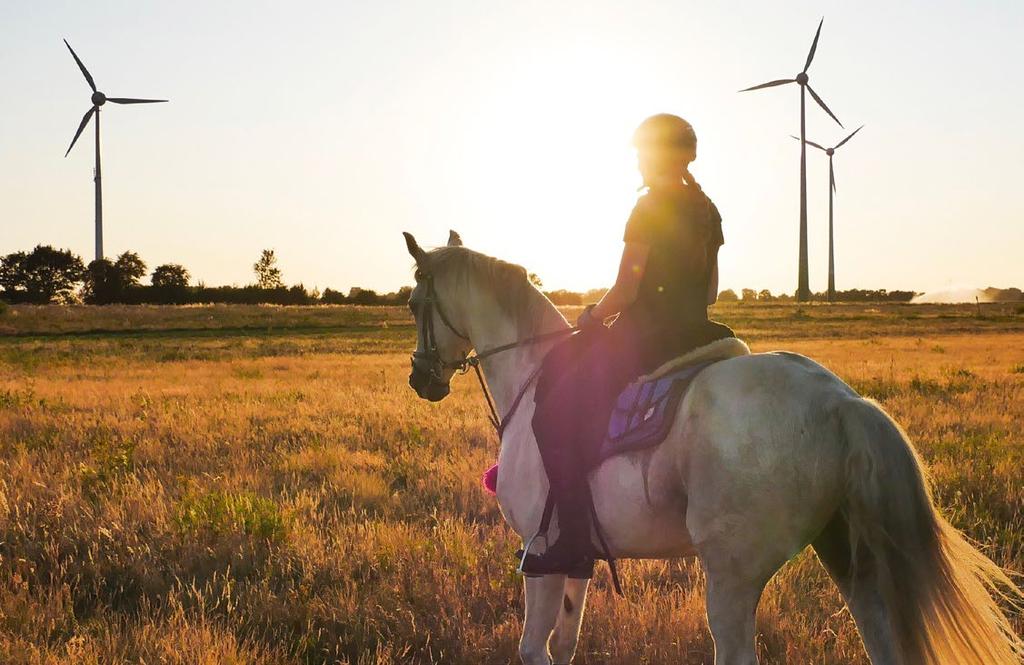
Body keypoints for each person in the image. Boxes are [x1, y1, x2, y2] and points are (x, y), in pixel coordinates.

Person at [523, 113, 735, 575]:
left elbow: (626, 290)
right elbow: (712, 292)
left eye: (641, 152)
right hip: (698, 333)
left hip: (645, 339)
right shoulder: (708, 210)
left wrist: (591, 317)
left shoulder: (649, 208)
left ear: (657, 154)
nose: (637, 161)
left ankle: (574, 544)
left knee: (551, 417)